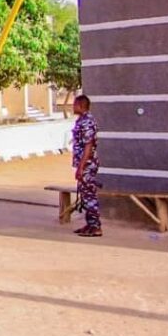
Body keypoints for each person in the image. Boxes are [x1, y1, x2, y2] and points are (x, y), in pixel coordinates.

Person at [72, 95, 101, 237]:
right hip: (84, 164)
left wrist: (81, 167)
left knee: (90, 196)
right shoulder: (82, 120)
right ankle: (90, 224)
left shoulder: (87, 122)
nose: (73, 107)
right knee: (85, 195)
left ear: (81, 105)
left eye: (74, 104)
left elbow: (88, 147)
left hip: (87, 165)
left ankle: (95, 227)